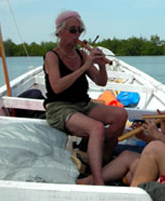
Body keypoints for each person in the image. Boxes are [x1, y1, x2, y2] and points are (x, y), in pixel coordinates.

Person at [77, 76, 165, 185]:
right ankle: (91, 181)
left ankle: (105, 184)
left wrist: (160, 132)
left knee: (133, 168)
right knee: (127, 156)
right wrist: (145, 135)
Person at [43, 10, 127, 185]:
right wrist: (84, 67)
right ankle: (97, 180)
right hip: (59, 107)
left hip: (82, 104)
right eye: (73, 30)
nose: (77, 34)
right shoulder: (52, 56)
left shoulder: (81, 55)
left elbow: (101, 82)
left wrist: (101, 65)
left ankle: (101, 158)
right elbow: (57, 87)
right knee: (96, 128)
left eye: (80, 30)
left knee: (121, 116)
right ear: (59, 32)